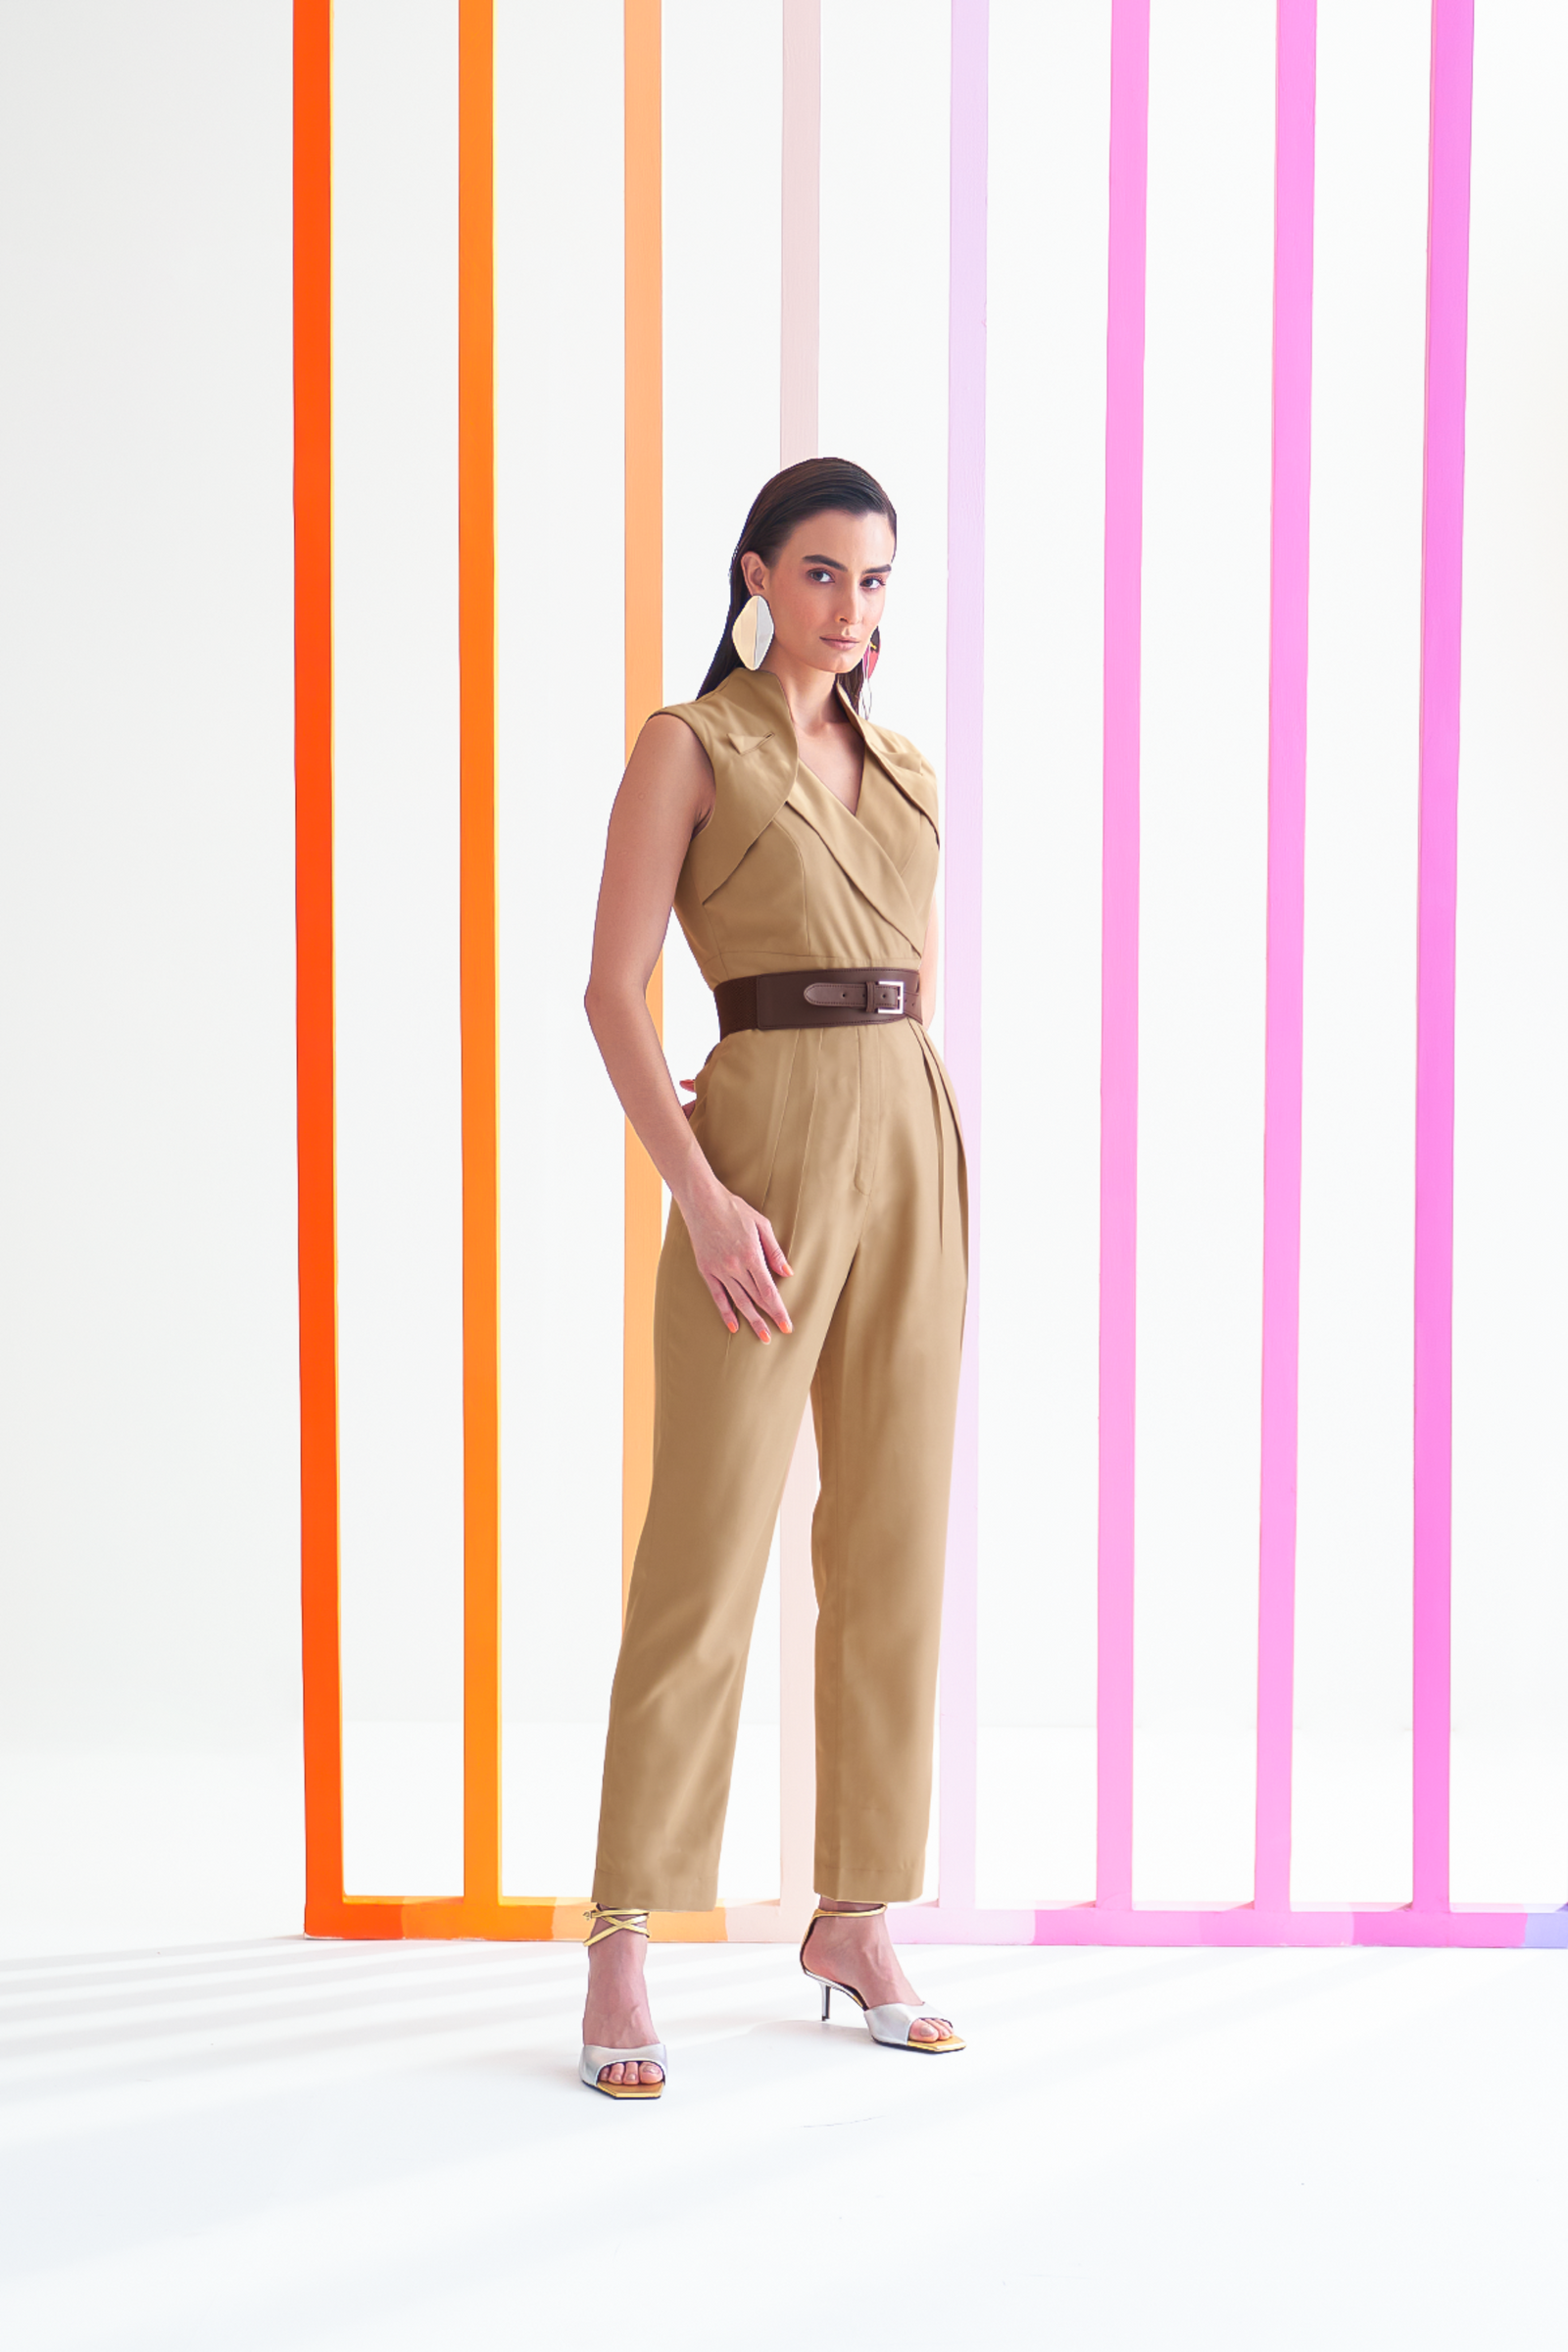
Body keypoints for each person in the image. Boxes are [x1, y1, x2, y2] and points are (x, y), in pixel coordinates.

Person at [578, 458, 968, 2098]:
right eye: (820, 573)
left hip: (913, 1139)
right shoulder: (692, 744)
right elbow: (613, 991)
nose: (850, 608)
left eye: (874, 580)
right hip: (761, 1165)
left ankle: (856, 1916)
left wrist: (903, 1137)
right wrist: (705, 1191)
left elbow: (909, 984)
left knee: (893, 1545)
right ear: (756, 574)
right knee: (707, 1543)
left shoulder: (908, 768)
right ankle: (622, 1931)